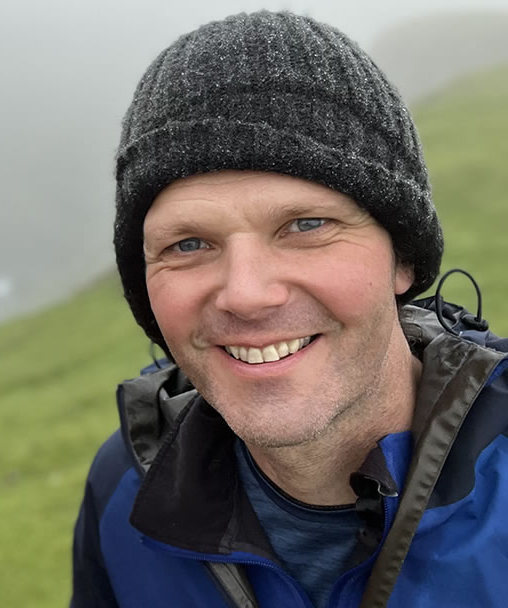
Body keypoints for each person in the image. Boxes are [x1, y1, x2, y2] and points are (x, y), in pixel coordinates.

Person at [71, 11, 508, 608]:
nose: (246, 293)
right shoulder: (128, 485)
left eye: (307, 225)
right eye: (188, 244)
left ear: (401, 258)